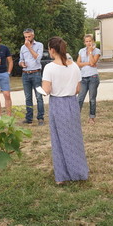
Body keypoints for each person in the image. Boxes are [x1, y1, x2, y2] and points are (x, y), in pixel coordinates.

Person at [41, 36, 89, 185]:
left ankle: (63, 175)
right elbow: (77, 89)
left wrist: (40, 90)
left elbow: (46, 90)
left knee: (59, 139)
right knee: (74, 138)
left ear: (52, 50)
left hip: (58, 103)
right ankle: (79, 171)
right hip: (72, 103)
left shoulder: (49, 67)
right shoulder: (74, 66)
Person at [19, 28, 44, 126]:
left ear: (33, 36)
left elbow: (38, 58)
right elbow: (20, 59)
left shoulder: (39, 45)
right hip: (25, 73)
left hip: (36, 73)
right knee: (28, 97)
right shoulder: (22, 47)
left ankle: (40, 117)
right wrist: (21, 63)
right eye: (25, 37)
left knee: (39, 96)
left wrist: (29, 47)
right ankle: (29, 118)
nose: (27, 39)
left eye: (29, 36)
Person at [77, 34, 101, 124]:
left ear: (93, 41)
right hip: (83, 77)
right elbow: (78, 63)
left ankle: (92, 117)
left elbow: (93, 62)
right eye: (86, 41)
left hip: (93, 77)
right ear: (84, 42)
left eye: (90, 41)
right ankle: (76, 116)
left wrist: (90, 52)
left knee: (92, 99)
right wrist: (88, 63)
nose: (88, 43)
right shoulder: (81, 51)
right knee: (80, 98)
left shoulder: (97, 51)